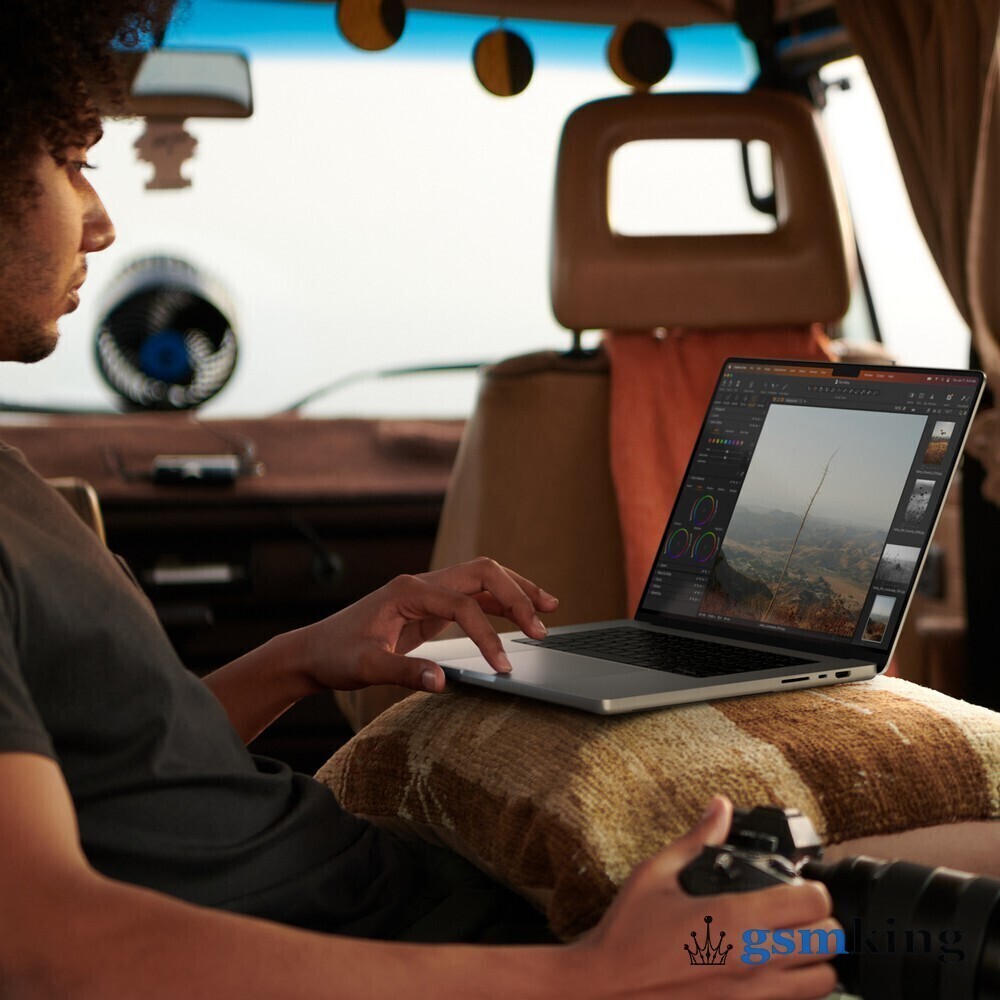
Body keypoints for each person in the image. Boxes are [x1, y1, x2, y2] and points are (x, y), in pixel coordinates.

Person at [0, 2, 840, 997]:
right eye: (73, 162)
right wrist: (595, 976)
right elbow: (47, 946)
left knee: (907, 892)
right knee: (883, 906)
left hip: (418, 909)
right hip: (452, 952)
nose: (101, 219)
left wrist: (301, 659)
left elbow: (128, 777)